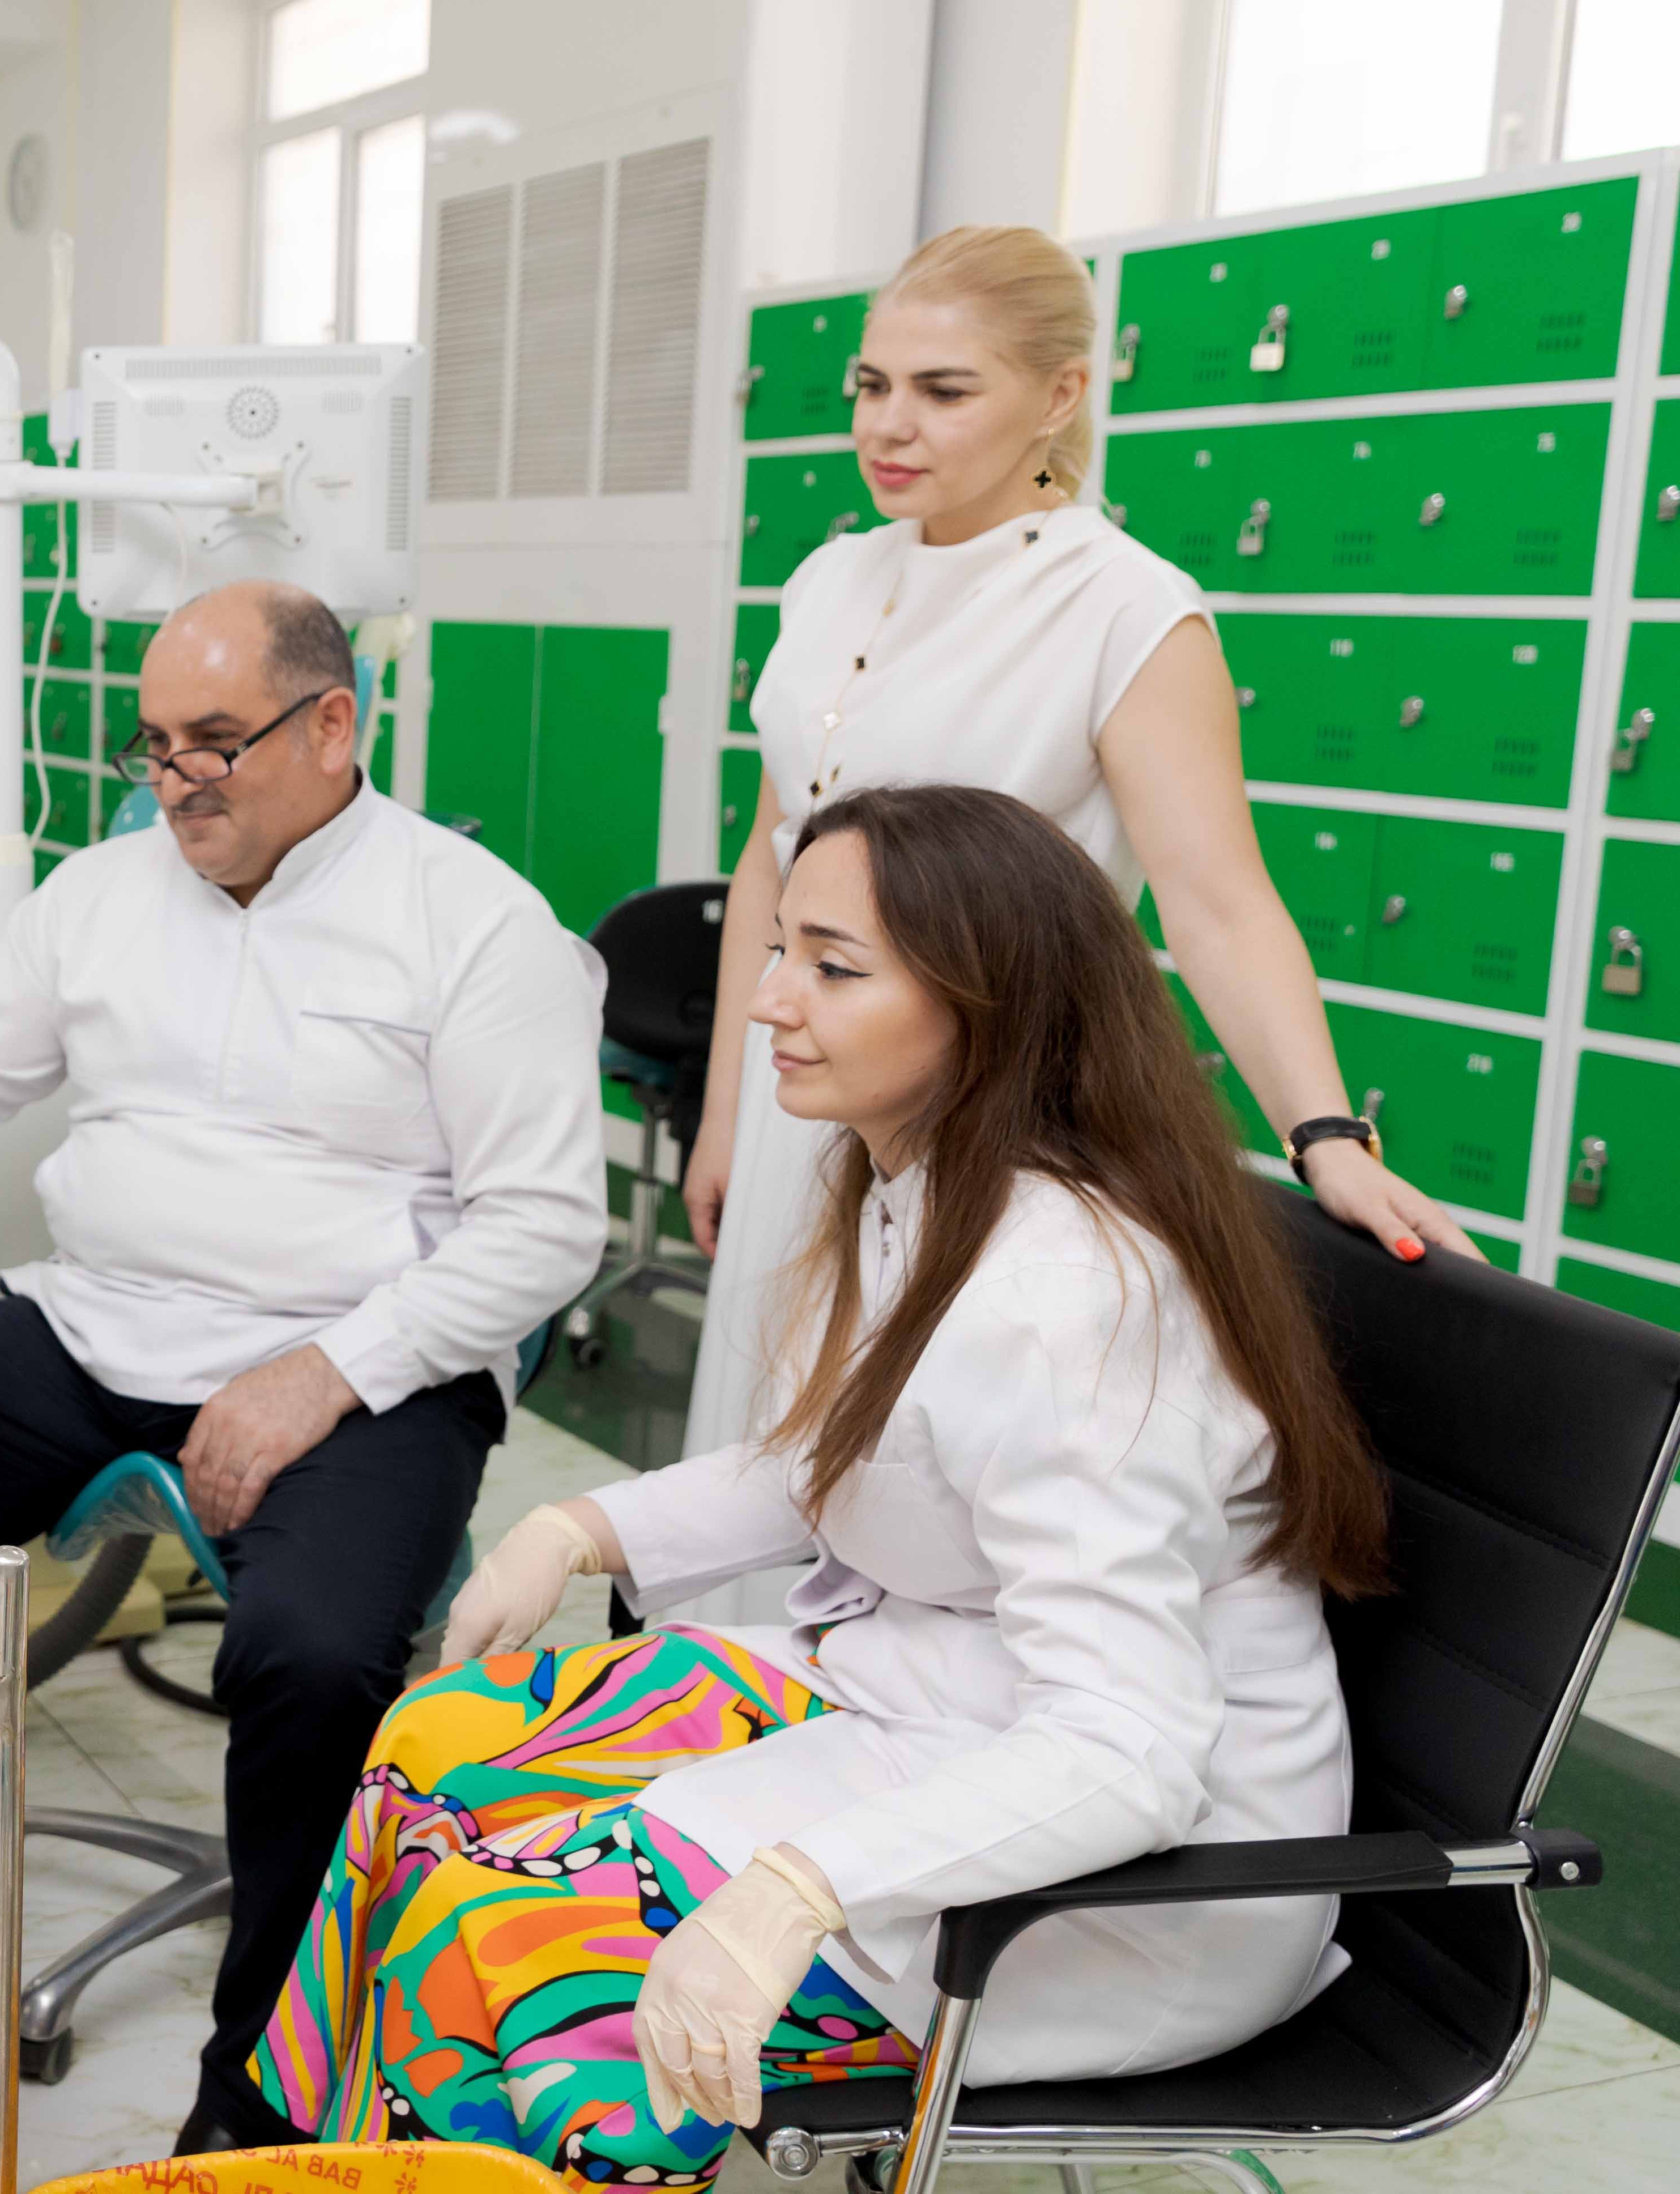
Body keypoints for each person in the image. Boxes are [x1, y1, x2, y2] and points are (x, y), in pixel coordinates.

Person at [252, 783, 1381, 2190]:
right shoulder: (924, 1182)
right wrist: (581, 1525)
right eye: (784, 946)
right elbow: (850, 1454)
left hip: (1125, 1887)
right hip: (931, 1701)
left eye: (834, 968)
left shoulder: (1063, 1301)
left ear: (992, 1008)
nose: (769, 998)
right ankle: (302, 2156)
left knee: (499, 1942)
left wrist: (799, 1886)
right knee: (429, 1751)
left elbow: (1128, 1749)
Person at [0, 580, 608, 2146]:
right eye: (152, 745)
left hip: (367, 1368)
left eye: (213, 742)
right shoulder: (100, 896)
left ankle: (260, 2106)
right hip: (96, 1329)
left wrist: (326, 1372)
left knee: (311, 1659)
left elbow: (547, 1227)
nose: (174, 782)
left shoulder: (476, 924)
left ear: (333, 726)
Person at [681, 225, 1466, 1497]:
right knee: (769, 1458)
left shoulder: (1128, 608)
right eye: (873, 385)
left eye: (945, 390)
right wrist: (730, 1109)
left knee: (920, 1490)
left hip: (981, 1119)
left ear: (1059, 396)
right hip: (803, 1096)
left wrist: (1327, 1134)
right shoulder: (825, 581)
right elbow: (775, 872)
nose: (890, 425)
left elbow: (1219, 903)